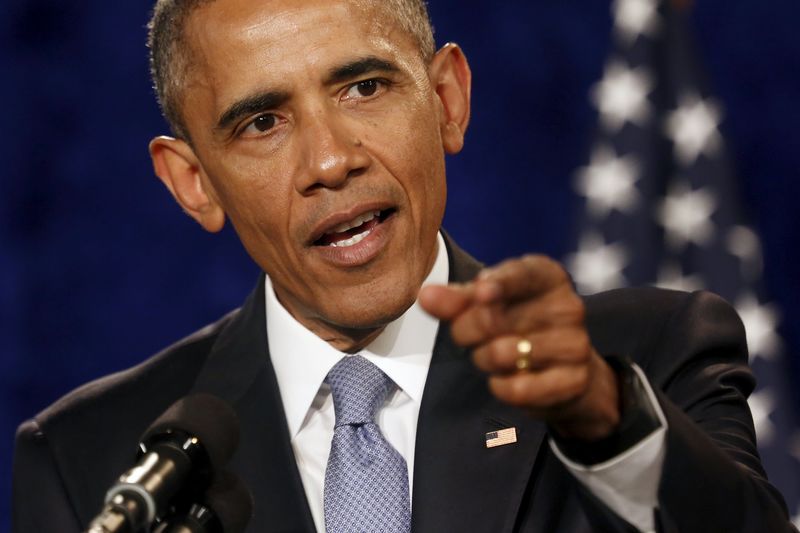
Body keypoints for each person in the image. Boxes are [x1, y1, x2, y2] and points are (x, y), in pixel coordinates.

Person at [12, 0, 795, 531]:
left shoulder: (645, 359)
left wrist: (602, 413)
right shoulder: (92, 457)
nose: (329, 160)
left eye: (363, 86)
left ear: (448, 98)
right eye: (262, 122)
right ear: (193, 182)